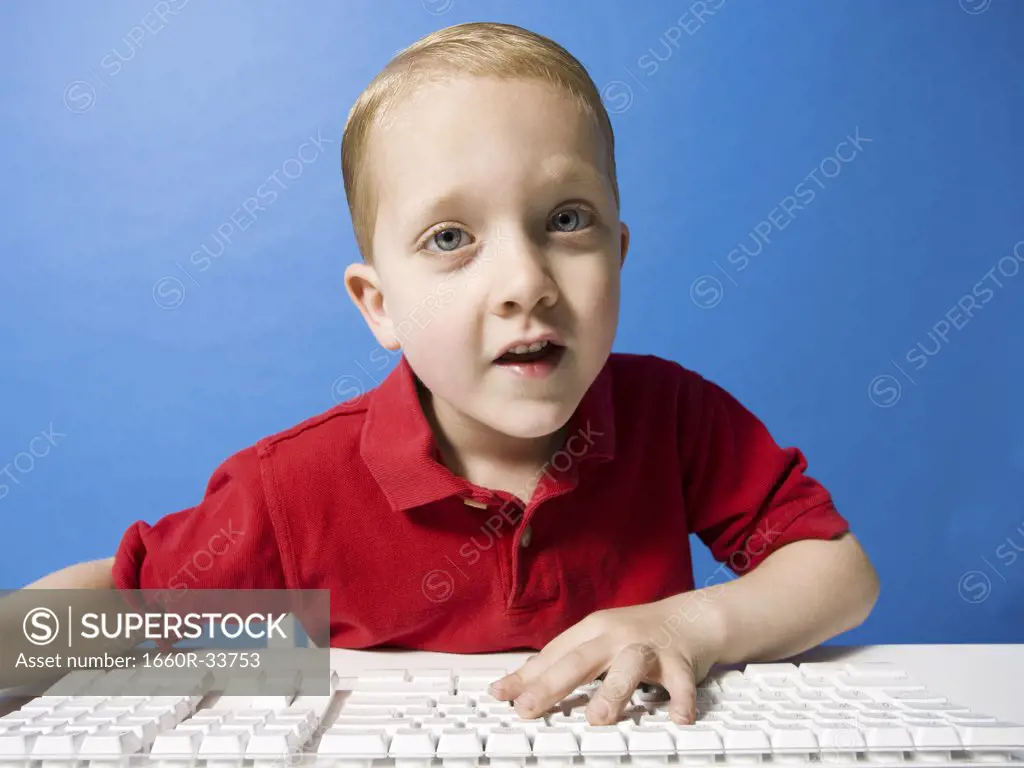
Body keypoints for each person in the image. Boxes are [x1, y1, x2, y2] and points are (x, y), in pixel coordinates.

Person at [26, 22, 879, 725]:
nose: (525, 283)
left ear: (619, 254)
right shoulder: (294, 491)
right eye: (449, 238)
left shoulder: (673, 418)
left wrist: (692, 622)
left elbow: (838, 574)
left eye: (566, 220)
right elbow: (128, 602)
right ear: (379, 304)